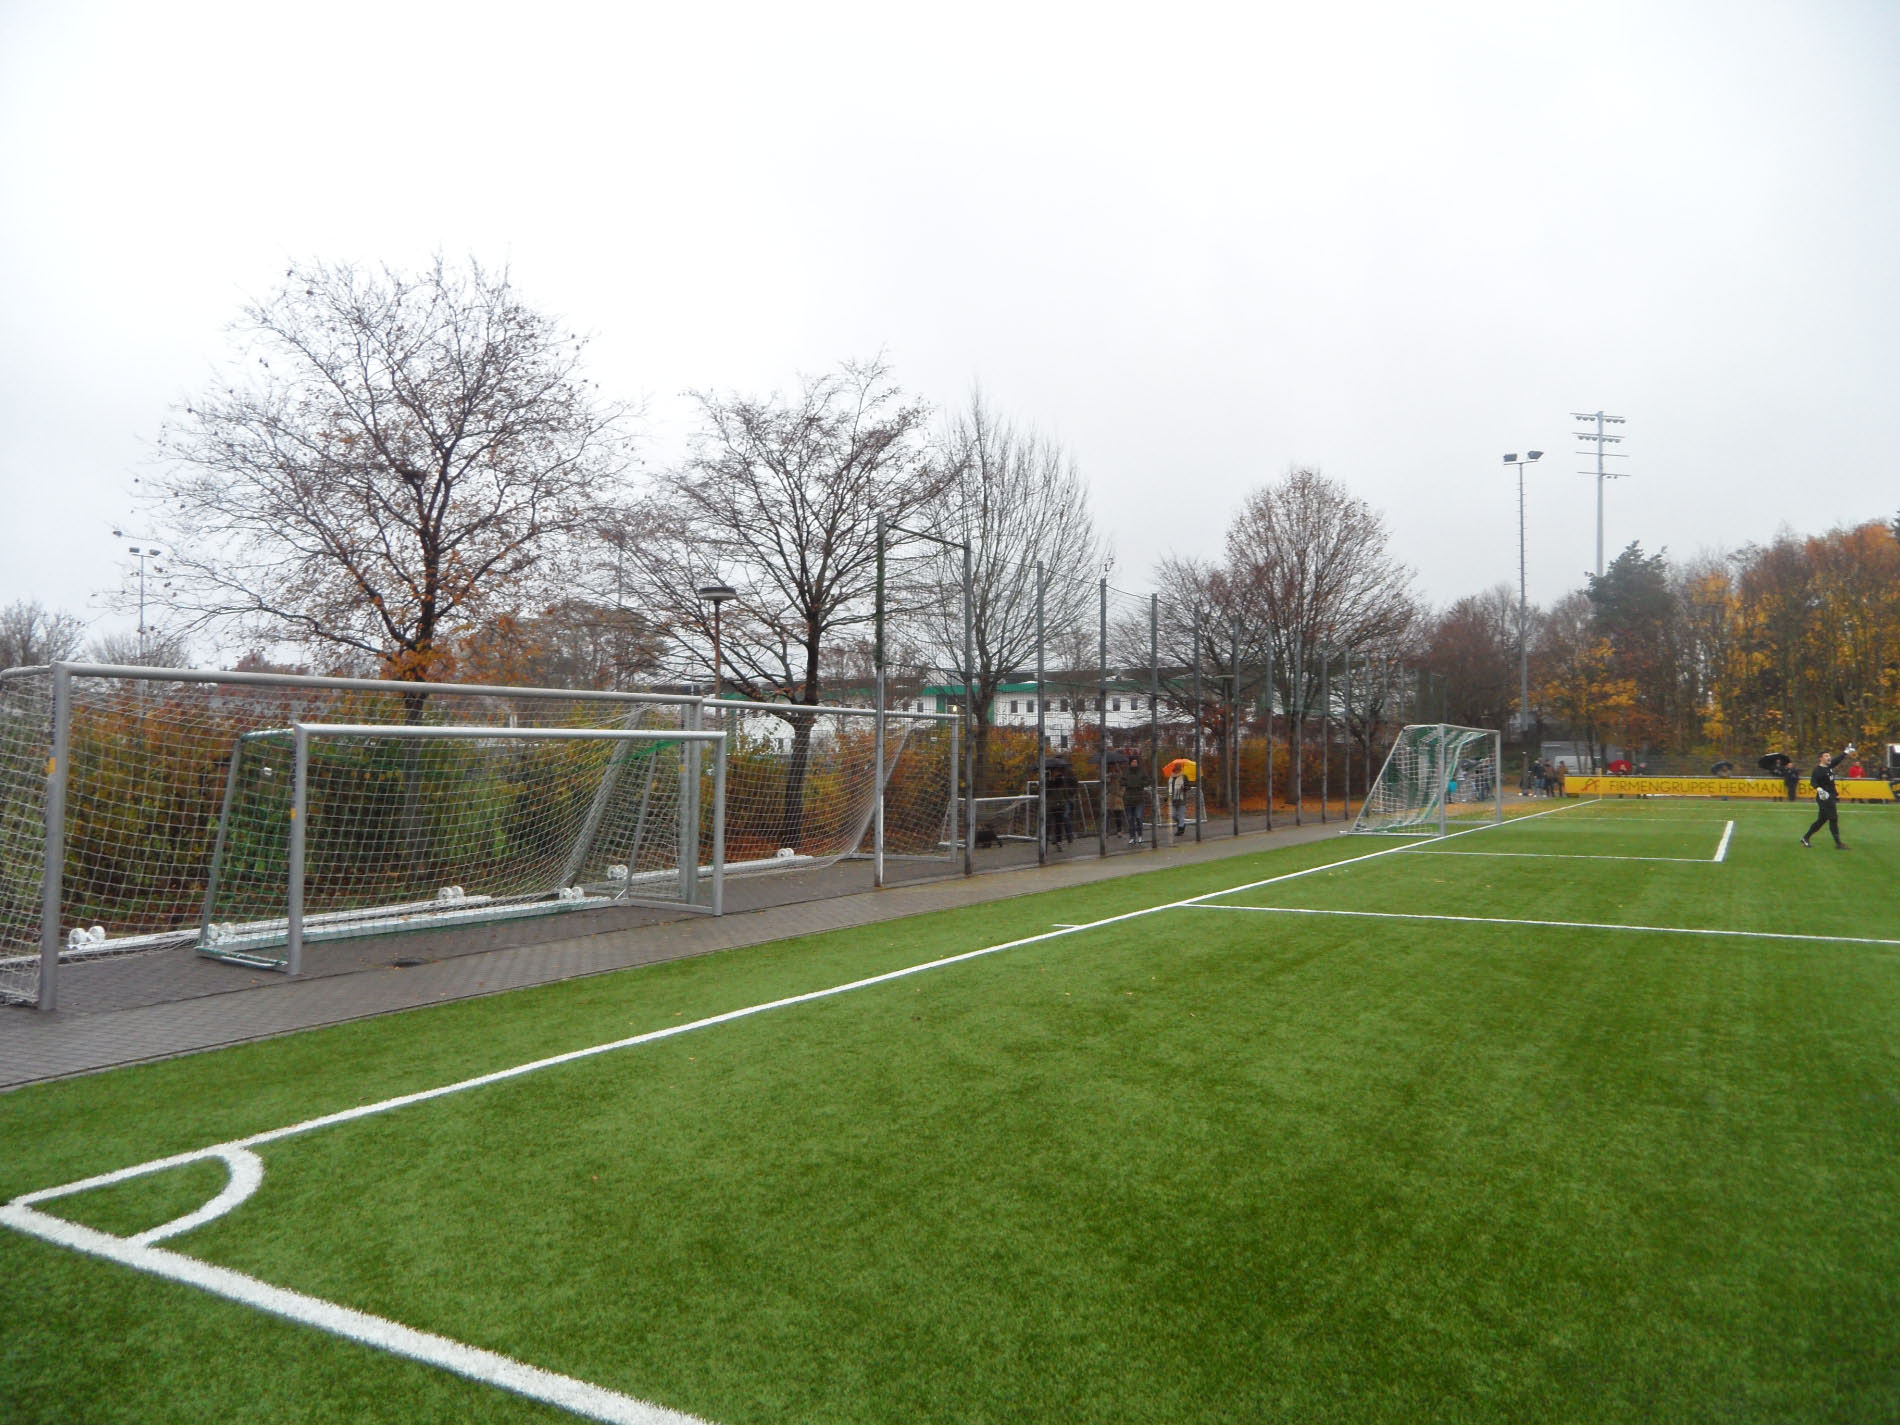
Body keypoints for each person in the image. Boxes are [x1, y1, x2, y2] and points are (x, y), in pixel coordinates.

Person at [1801, 748, 1850, 850]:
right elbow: (1813, 782)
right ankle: (1838, 844)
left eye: (1829, 755)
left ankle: (1805, 838)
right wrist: (1819, 789)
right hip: (1825, 798)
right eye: (1826, 756)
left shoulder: (1829, 766)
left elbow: (1837, 760)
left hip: (1830, 797)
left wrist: (1845, 752)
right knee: (1833, 819)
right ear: (1821, 758)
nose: (1829, 757)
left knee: (1822, 820)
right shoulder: (1818, 770)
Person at [1122, 750, 1148, 844]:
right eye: (1133, 762)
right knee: (1130, 818)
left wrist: (1138, 784)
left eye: (1136, 762)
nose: (1134, 763)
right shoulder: (1126, 772)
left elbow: (1147, 781)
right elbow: (1122, 781)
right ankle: (1132, 837)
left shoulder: (1142, 771)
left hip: (1139, 798)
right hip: (1128, 799)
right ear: (1130, 763)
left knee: (1138, 817)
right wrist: (1129, 783)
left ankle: (1140, 835)